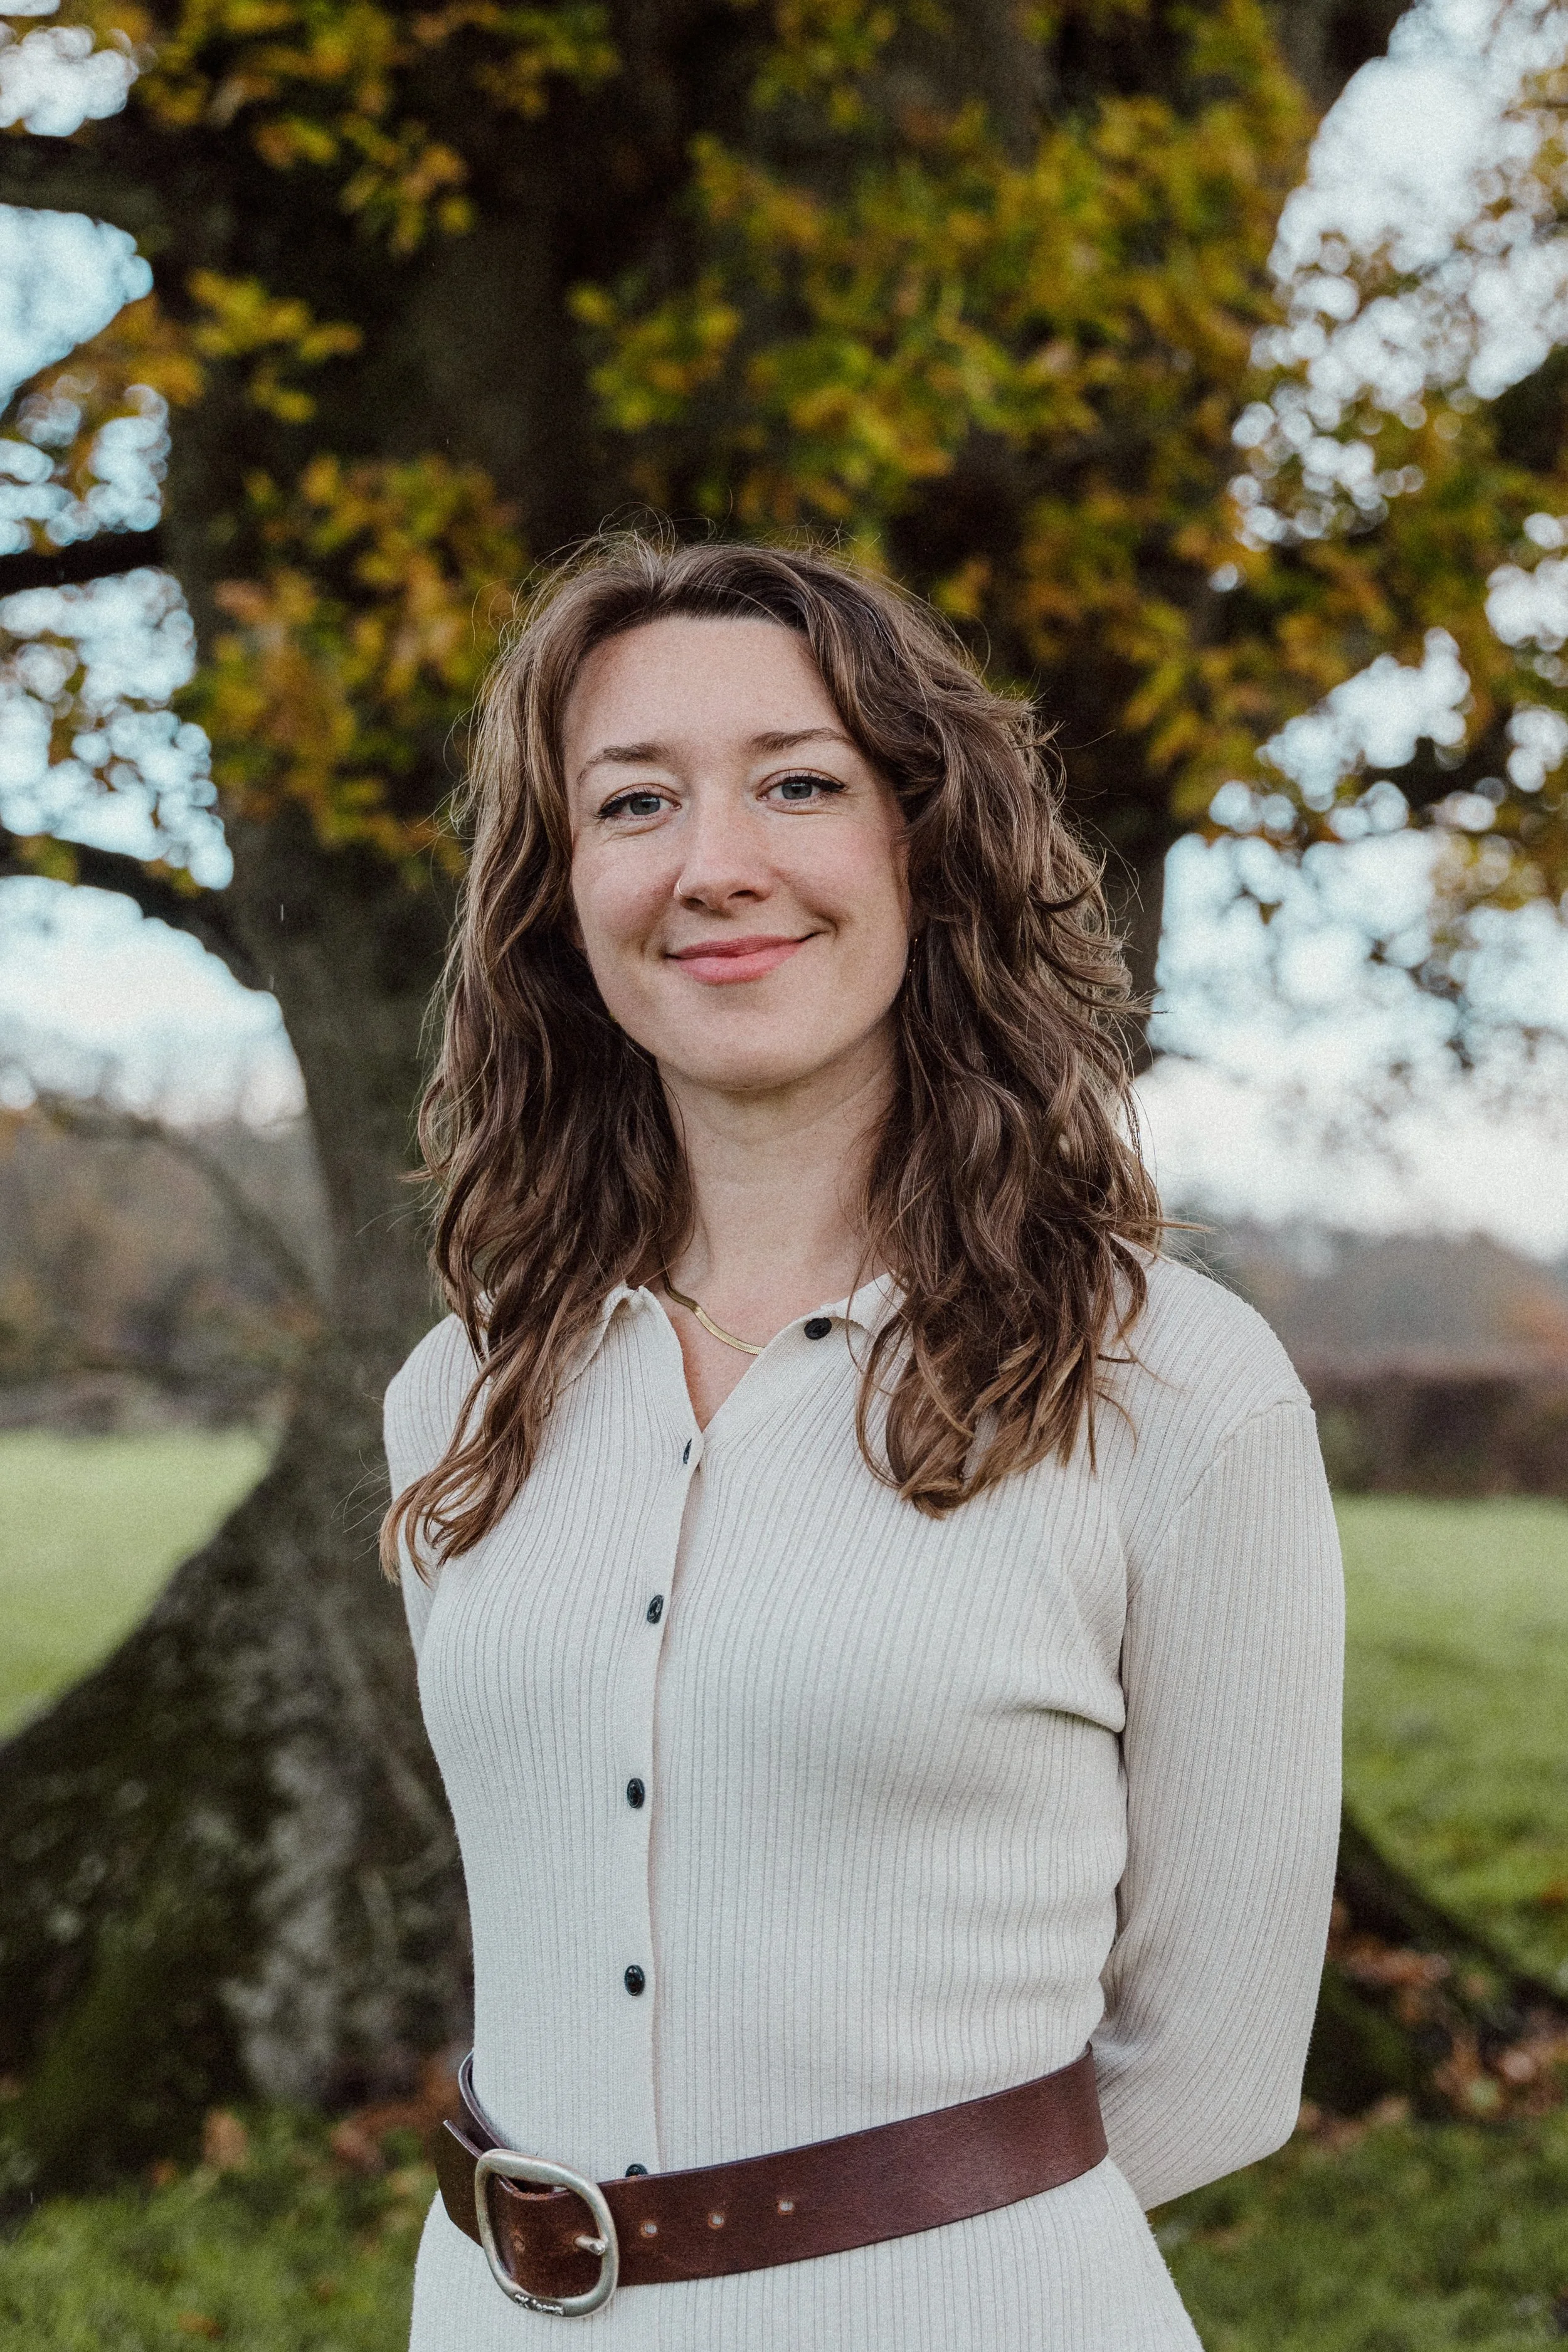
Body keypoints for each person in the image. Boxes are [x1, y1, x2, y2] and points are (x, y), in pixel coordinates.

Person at [381, 532, 1343, 2349]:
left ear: (924, 841)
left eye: (800, 783)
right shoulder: (459, 1393)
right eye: (635, 800)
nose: (715, 864)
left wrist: (896, 2260)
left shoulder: (1173, 1388)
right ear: (558, 887)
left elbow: (1214, 2064)